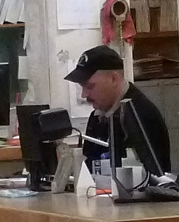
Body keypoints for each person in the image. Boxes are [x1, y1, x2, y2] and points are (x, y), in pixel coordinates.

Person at [66, 44, 171, 178]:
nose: (84, 95)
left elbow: (155, 176)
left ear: (114, 79)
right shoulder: (97, 117)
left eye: (90, 86)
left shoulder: (140, 115)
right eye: (82, 87)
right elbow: (89, 168)